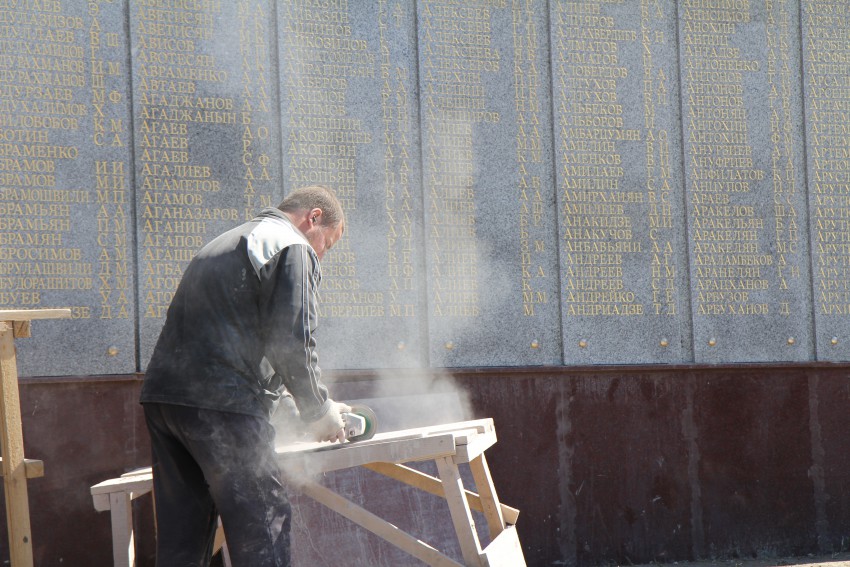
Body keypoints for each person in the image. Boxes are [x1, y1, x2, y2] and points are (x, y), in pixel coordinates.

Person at [140, 185, 351, 567]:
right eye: (327, 244)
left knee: (183, 543)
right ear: (314, 218)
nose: (322, 254)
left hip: (165, 400)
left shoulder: (226, 241)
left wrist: (284, 404)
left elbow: (230, 335)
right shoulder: (291, 245)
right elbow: (292, 340)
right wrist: (319, 411)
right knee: (263, 530)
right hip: (222, 404)